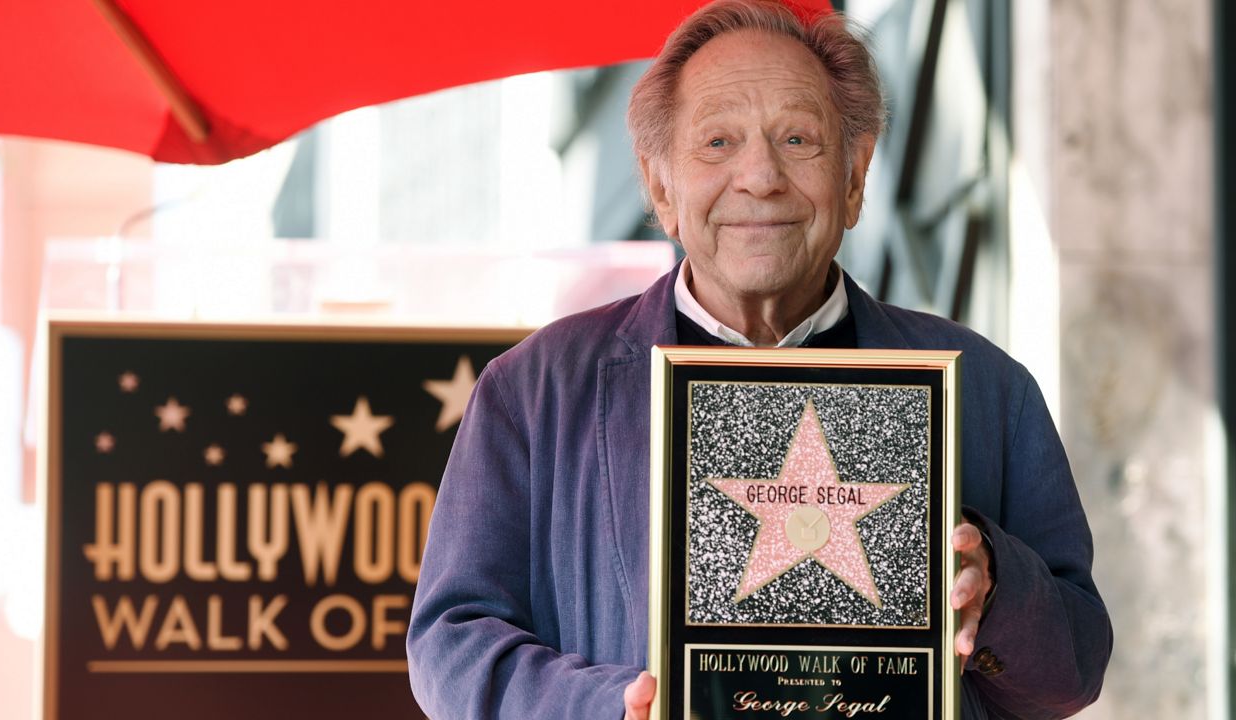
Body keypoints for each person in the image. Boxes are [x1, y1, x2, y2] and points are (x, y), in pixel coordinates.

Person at [407, 1, 1112, 718]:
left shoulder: (988, 388)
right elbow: (450, 646)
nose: (760, 176)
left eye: (798, 138)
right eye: (717, 142)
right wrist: (610, 708)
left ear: (855, 177)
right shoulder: (534, 391)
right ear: (660, 186)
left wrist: (993, 591)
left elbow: (1075, 671)